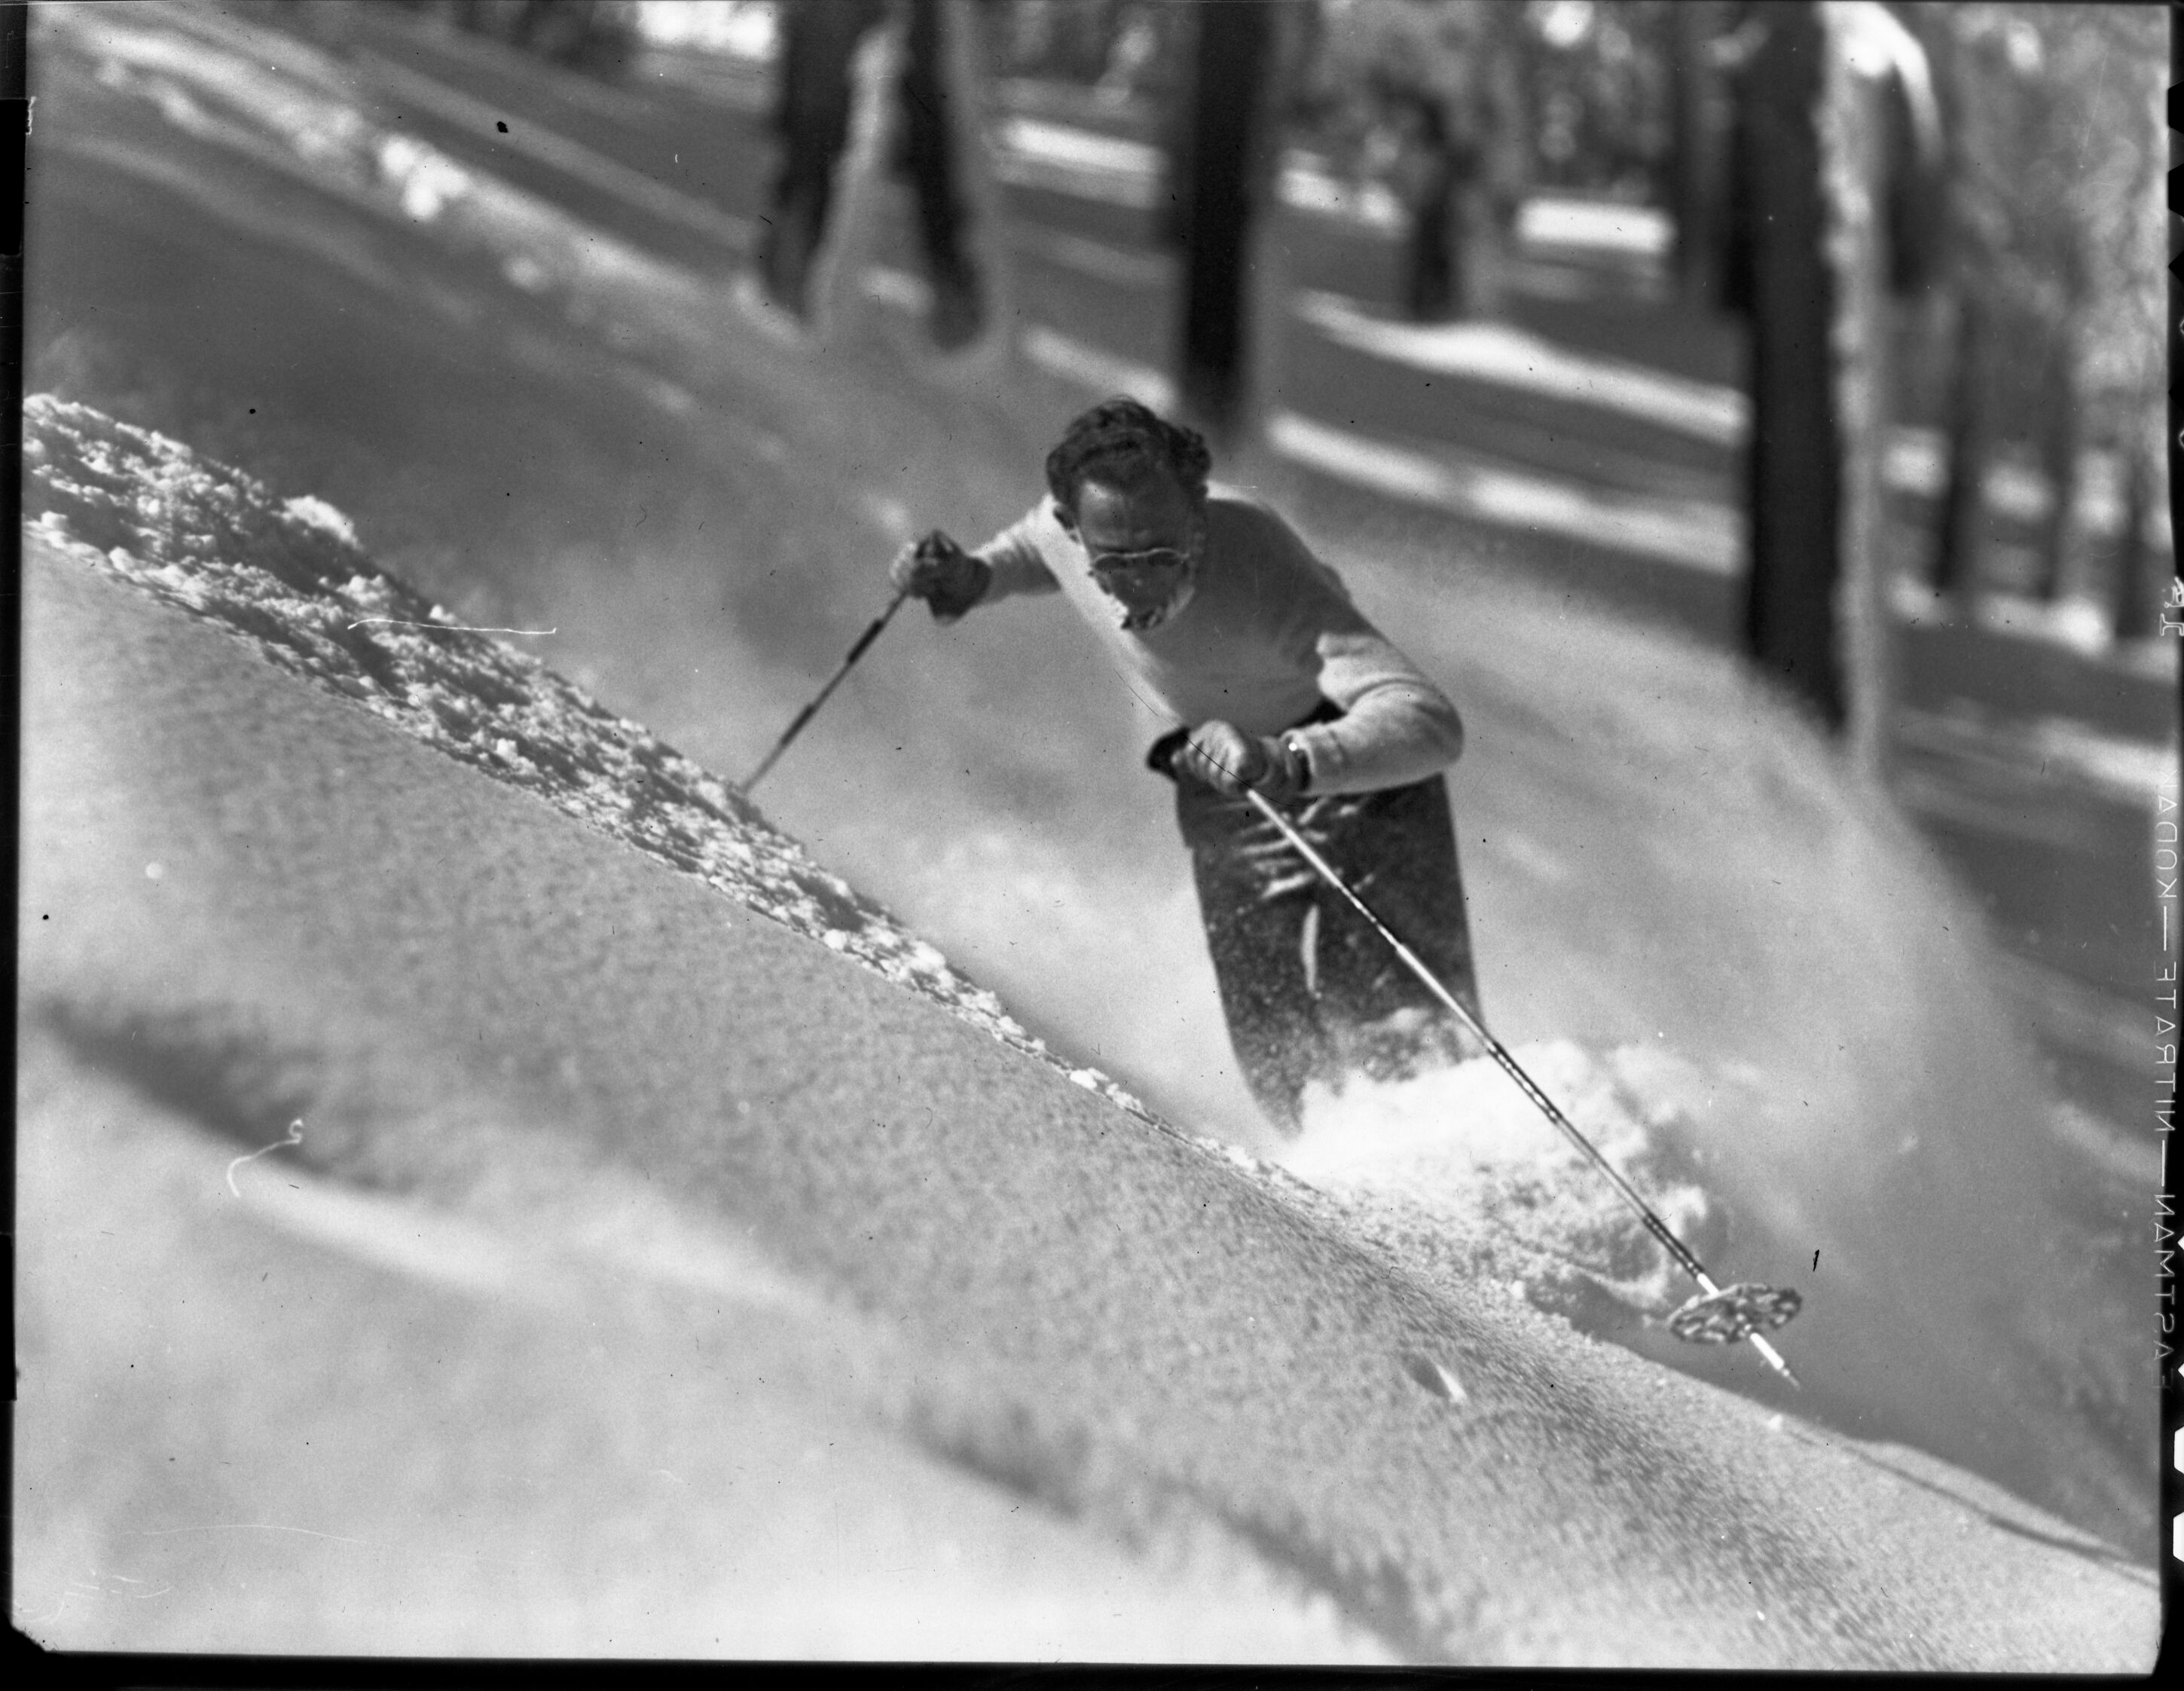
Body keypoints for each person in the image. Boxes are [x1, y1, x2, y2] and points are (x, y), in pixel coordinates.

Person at [891, 398, 1485, 1134]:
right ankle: (1335, 1173)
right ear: (1076, 530)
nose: (1140, 582)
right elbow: (1032, 548)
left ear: (1198, 515)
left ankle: (1453, 1161)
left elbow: (1427, 719)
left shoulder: (1264, 570)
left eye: (1164, 555)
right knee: (1271, 1038)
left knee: (1395, 1024)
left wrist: (1290, 761)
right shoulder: (1064, 526)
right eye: (1115, 563)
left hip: (1352, 769)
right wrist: (974, 578)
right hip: (1216, 772)